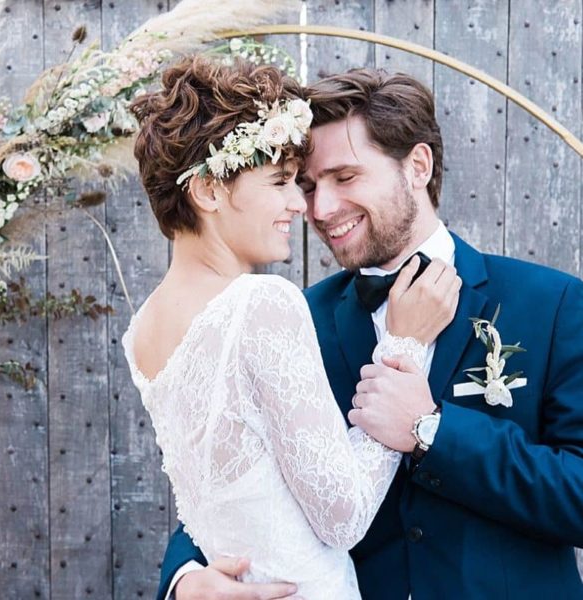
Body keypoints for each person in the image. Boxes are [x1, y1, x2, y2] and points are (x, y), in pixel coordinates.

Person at [163, 67, 583, 600]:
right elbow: (225, 474)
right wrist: (185, 578)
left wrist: (432, 431)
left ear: (417, 166)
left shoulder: (552, 305)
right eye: (308, 187)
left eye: (345, 177)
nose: (320, 209)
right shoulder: (295, 318)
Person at [123, 57, 460, 600]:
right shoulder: (263, 303)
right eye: (281, 182)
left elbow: (242, 488)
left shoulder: (141, 330)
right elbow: (344, 517)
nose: (299, 205)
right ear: (209, 191)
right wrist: (405, 346)